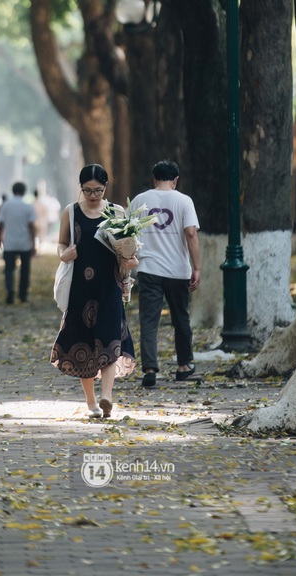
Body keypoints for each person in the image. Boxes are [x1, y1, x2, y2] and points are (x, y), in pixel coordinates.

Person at [50, 164, 137, 419]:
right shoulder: (71, 212)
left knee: (110, 337)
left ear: (106, 187)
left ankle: (107, 395)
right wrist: (63, 255)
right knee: (82, 342)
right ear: (81, 188)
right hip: (80, 287)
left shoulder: (116, 212)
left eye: (98, 190)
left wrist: (129, 262)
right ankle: (91, 404)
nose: (93, 195)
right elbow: (61, 243)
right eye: (87, 190)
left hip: (108, 285)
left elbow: (127, 247)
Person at [130, 159, 201, 387]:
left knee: (149, 320)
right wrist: (197, 267)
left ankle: (150, 369)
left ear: (154, 178)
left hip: (148, 269)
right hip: (177, 270)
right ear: (176, 179)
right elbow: (191, 234)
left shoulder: (140, 200)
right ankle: (183, 366)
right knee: (181, 319)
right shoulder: (184, 201)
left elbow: (129, 235)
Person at [0, 181, 37, 304]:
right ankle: (23, 295)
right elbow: (32, 226)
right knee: (25, 270)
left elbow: (1, 224)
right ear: (24, 192)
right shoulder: (28, 206)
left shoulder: (6, 206)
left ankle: (10, 290)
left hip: (9, 243)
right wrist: (34, 243)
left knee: (9, 269)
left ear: (13, 191)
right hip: (24, 243)